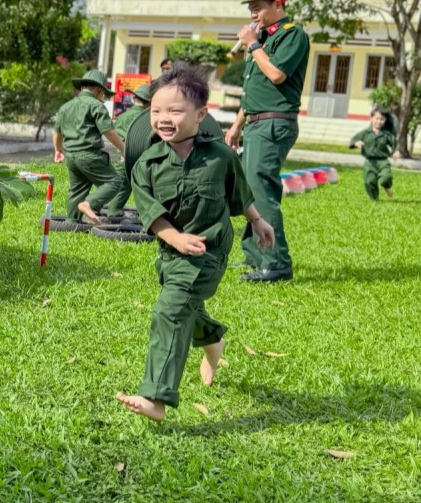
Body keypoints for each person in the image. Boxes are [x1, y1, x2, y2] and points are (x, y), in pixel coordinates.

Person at [116, 66, 275, 422]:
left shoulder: (221, 157)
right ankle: (212, 340)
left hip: (209, 252)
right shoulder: (146, 164)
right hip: (171, 253)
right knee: (184, 303)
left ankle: (155, 398)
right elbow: (151, 213)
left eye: (175, 111)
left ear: (200, 114)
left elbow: (239, 195)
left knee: (170, 310)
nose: (163, 118)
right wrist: (175, 238)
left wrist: (257, 221)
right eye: (156, 111)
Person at [225, 0, 310, 283]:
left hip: (275, 122)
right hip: (256, 122)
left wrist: (252, 45)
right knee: (249, 191)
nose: (253, 14)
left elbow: (276, 75)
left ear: (278, 4)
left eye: (258, 7)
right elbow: (253, 91)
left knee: (262, 192)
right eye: (250, 8)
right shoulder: (262, 41)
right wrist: (236, 126)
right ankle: (256, 256)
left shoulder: (292, 35)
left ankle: (276, 263)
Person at [52, 69, 122, 225]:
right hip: (90, 155)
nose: (104, 98)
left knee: (77, 189)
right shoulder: (96, 106)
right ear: (100, 89)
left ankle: (71, 222)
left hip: (71, 155)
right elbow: (109, 131)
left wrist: (58, 150)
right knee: (114, 182)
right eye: (104, 94)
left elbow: (57, 132)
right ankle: (89, 204)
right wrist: (124, 149)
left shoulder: (66, 106)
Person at [102, 83, 152, 221]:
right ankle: (145, 215)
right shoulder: (148, 118)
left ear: (134, 98)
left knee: (123, 186)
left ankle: (114, 211)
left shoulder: (123, 116)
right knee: (145, 188)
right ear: (149, 102)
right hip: (143, 159)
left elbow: (115, 136)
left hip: (124, 158)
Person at [349, 108, 399, 200]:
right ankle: (374, 199)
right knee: (369, 181)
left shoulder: (387, 134)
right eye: (377, 118)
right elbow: (353, 140)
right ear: (371, 118)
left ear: (385, 120)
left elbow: (394, 144)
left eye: (382, 119)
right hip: (369, 162)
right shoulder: (365, 133)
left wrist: (396, 151)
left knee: (386, 177)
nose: (379, 122)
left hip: (383, 161)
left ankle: (386, 186)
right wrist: (356, 143)